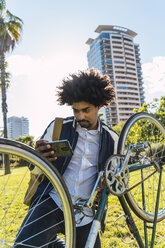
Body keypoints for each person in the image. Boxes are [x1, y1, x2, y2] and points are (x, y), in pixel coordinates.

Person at [15, 68, 118, 247]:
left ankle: (54, 243)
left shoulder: (112, 138)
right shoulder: (58, 127)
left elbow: (115, 177)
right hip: (52, 202)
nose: (80, 116)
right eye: (75, 110)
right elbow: (34, 169)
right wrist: (38, 158)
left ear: (99, 106)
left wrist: (108, 184)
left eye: (86, 110)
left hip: (84, 213)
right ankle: (53, 241)